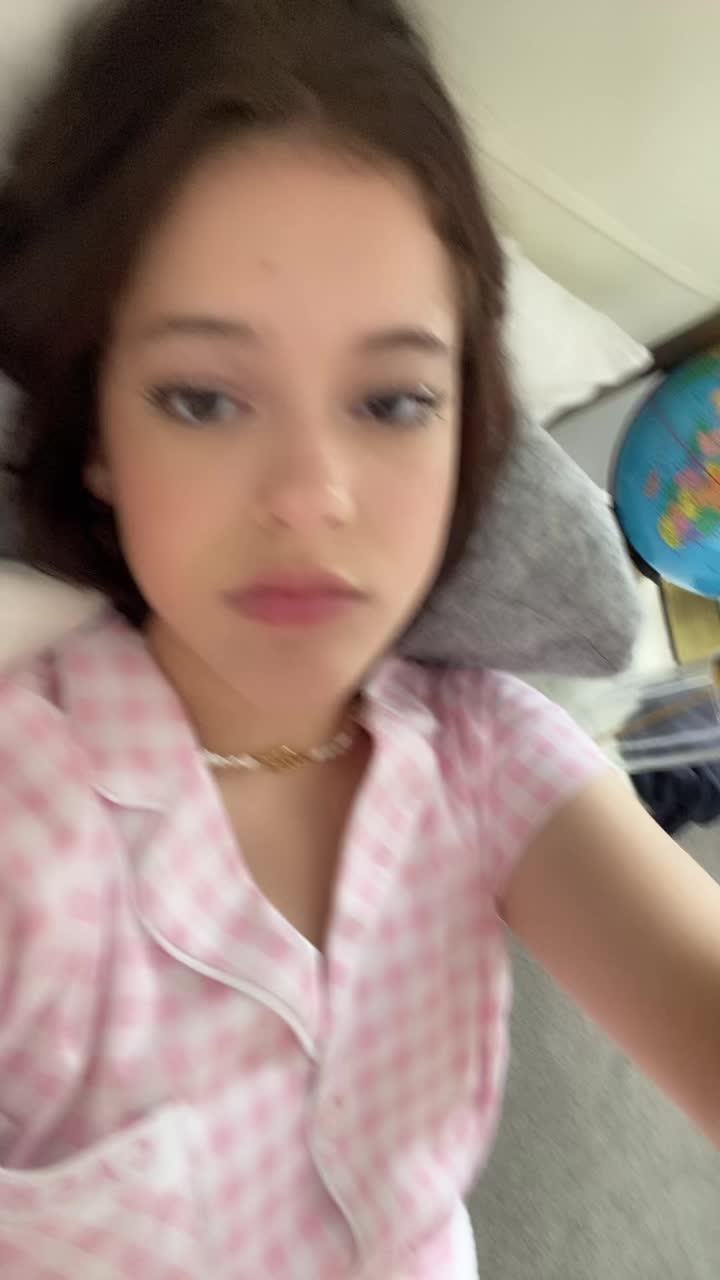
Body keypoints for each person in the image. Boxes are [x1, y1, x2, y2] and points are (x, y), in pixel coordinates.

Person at [0, 2, 717, 1276]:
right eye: (203, 397)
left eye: (392, 401)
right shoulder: (29, 816)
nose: (311, 494)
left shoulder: (481, 752)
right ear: (96, 434)